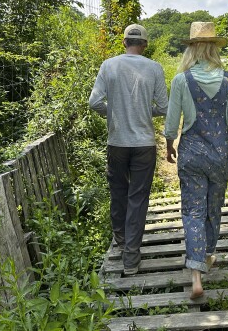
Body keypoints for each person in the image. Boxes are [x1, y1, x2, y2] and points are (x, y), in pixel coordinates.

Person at [164, 21, 228, 299]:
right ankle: (206, 255)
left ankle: (196, 275)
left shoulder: (181, 80)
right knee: (214, 206)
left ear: (192, 49)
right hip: (221, 154)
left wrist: (169, 145)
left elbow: (173, 121)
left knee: (193, 209)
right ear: (214, 48)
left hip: (192, 153)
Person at [89, 24, 168, 275]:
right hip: (144, 144)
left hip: (117, 142)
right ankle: (132, 258)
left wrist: (113, 113)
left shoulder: (108, 65)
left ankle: (122, 242)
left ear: (124, 42)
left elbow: (94, 102)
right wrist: (145, 110)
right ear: (144, 45)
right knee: (138, 197)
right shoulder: (154, 68)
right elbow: (164, 107)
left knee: (118, 192)